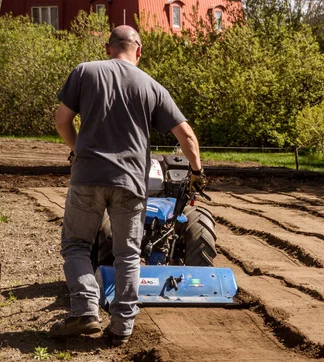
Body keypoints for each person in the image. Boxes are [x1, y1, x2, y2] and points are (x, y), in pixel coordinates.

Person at [51, 25, 207, 345]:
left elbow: (61, 120)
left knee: (78, 245)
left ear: (108, 48)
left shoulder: (85, 72)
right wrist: (196, 171)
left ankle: (84, 309)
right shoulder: (152, 86)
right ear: (139, 51)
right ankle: (122, 327)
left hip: (88, 177)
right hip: (131, 183)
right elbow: (187, 136)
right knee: (128, 256)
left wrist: (77, 149)